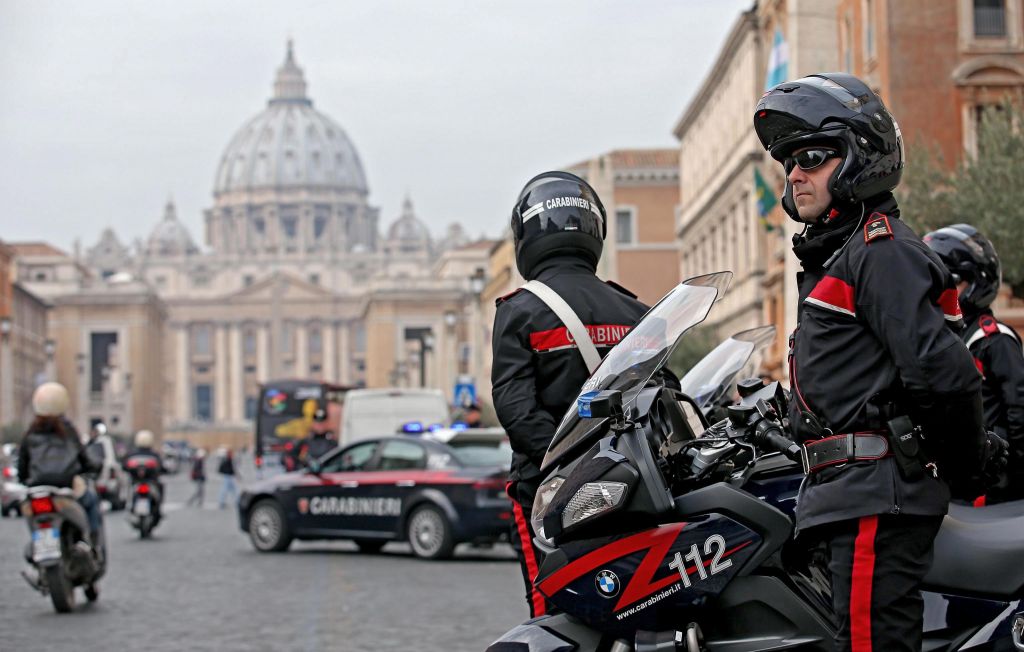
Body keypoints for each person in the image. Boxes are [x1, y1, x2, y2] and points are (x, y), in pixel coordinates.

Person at [753, 73, 1006, 651]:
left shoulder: (880, 250)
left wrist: (968, 463)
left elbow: (941, 372)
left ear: (860, 156)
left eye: (813, 156)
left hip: (874, 493)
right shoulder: (846, 254)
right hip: (853, 493)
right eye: (790, 161)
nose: (795, 173)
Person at [492, 170, 649, 618]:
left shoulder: (519, 312)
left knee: (553, 608)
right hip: (628, 484)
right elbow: (659, 394)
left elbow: (517, 410)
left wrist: (570, 467)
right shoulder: (633, 308)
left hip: (549, 492)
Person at [925, 224, 1024, 503]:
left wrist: (1009, 477)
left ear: (975, 281)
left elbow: (1019, 411)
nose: (939, 292)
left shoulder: (993, 339)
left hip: (994, 487)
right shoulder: (945, 340)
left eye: (950, 282)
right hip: (957, 479)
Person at [17, 382, 103, 543]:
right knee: (91, 501)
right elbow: (84, 458)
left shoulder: (30, 433)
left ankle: (38, 543)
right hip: (65, 488)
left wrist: (24, 479)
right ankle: (92, 541)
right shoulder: (69, 431)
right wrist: (93, 468)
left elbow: (22, 465)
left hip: (38, 489)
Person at [122, 430, 167, 522]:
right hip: (147, 483)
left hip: (137, 482)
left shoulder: (132, 454)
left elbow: (124, 466)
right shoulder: (154, 454)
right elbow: (162, 467)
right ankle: (158, 509)